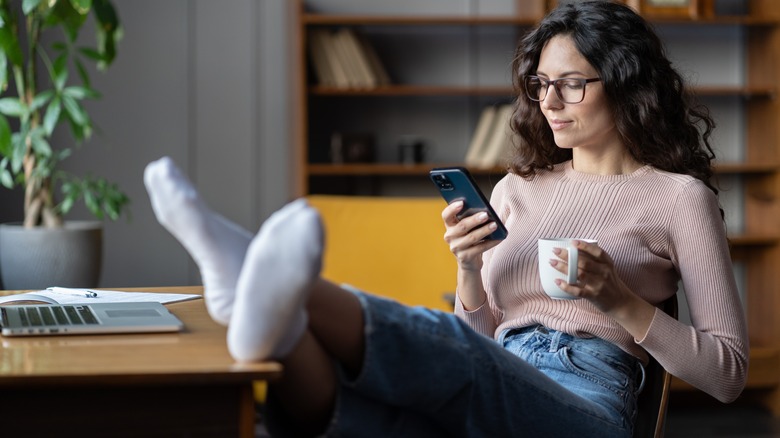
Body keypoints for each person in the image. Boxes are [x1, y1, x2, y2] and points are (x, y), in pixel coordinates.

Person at [143, 1, 748, 436]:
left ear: (625, 85)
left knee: (460, 360)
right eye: (540, 85)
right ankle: (274, 319)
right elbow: (483, 332)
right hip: (498, 366)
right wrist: (469, 267)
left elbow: (726, 375)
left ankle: (264, 287)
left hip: (586, 396)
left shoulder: (677, 198)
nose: (550, 103)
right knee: (367, 417)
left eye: (571, 85)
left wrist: (618, 301)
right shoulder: (517, 188)